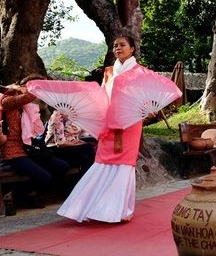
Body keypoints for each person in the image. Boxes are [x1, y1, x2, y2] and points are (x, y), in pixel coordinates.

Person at [58, 36, 148, 223]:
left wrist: (147, 109)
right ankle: (89, 207)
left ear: (132, 49)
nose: (118, 48)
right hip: (109, 121)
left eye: (122, 45)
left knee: (124, 164)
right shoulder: (108, 72)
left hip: (130, 123)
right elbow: (101, 96)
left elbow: (145, 97)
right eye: (115, 45)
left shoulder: (141, 72)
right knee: (103, 161)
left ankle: (116, 210)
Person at [0, 76, 70, 209]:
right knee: (44, 176)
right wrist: (19, 87)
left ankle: (38, 194)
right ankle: (12, 196)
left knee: (61, 166)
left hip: (28, 149)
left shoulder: (27, 107)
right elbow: (30, 95)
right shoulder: (7, 100)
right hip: (12, 152)